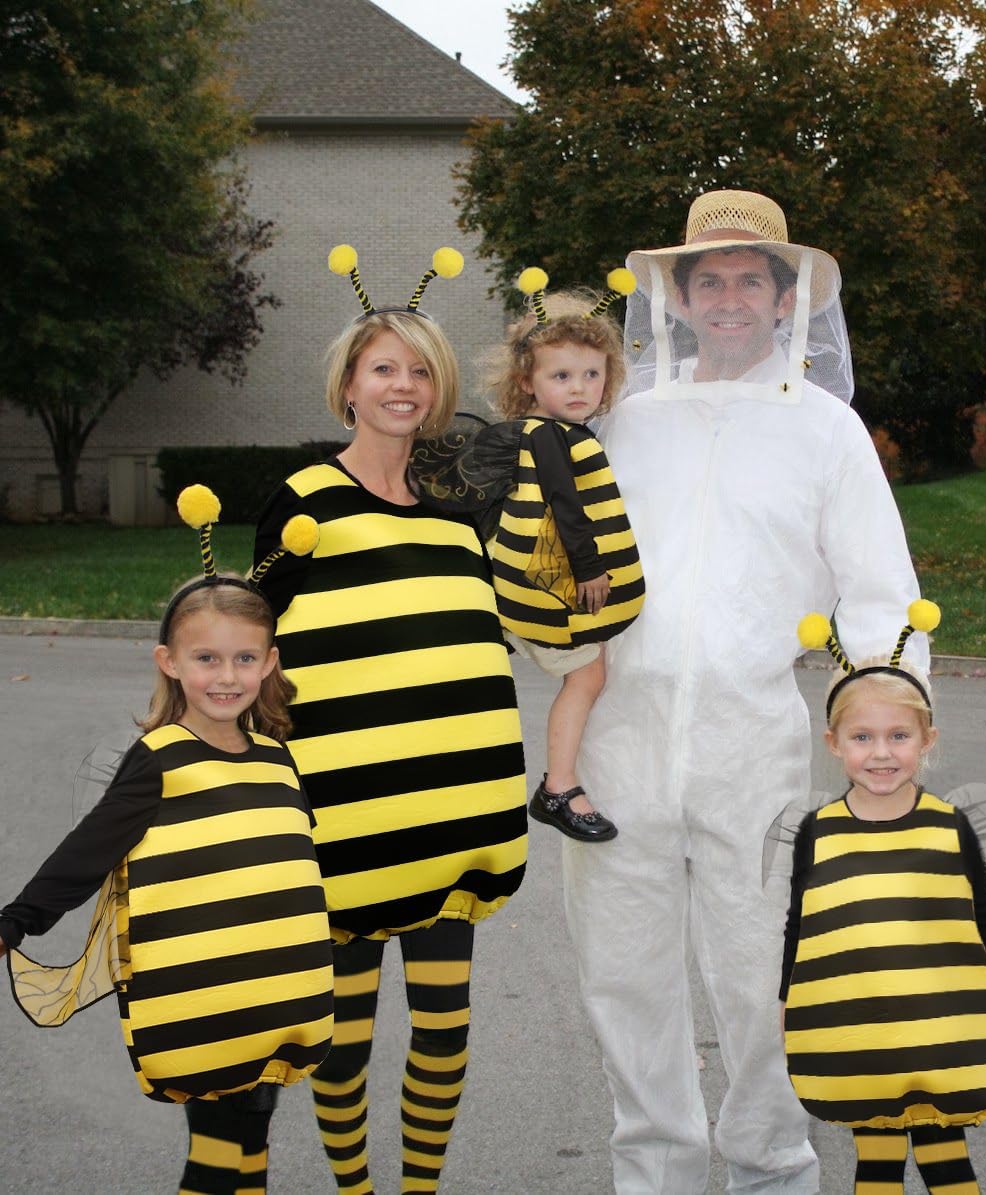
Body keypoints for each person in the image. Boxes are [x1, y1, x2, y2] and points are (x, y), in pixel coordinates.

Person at [562, 189, 929, 1194]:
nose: (729, 298)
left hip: (753, 746)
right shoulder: (621, 424)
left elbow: (878, 595)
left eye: (750, 280)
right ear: (678, 298)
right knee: (624, 977)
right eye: (710, 279)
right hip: (616, 746)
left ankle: (771, 1166)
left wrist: (886, 732)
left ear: (785, 298)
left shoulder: (825, 431)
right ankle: (658, 1172)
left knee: (767, 976)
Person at [253, 246, 528, 1194]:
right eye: (383, 368)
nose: (402, 385)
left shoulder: (460, 513)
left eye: (420, 370)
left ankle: (420, 1188)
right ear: (349, 385)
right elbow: (253, 646)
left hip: (454, 824)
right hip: (345, 822)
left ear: (438, 389)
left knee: (446, 1031)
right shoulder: (304, 504)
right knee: (344, 1041)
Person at [0, 538, 335, 1195]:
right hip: (204, 1000)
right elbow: (87, 850)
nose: (226, 676)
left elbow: (289, 865)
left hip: (274, 995)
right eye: (206, 658)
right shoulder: (161, 759)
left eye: (244, 658)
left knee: (253, 1134)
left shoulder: (276, 758)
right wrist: (17, 920)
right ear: (170, 662)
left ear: (269, 662)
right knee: (216, 1153)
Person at [780, 605, 986, 1195]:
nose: (881, 753)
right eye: (862, 737)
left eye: (898, 736)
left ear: (926, 739)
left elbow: (983, 920)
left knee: (946, 1158)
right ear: (834, 743)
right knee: (877, 1161)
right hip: (863, 1029)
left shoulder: (951, 827)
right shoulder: (817, 832)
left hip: (940, 1028)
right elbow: (803, 924)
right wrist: (788, 997)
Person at [415, 271, 645, 842]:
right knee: (587, 676)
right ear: (528, 381)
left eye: (592, 374)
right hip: (553, 588)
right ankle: (558, 786)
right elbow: (566, 506)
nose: (580, 388)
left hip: (526, 582)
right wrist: (590, 569)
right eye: (561, 375)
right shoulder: (549, 436)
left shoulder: (548, 431)